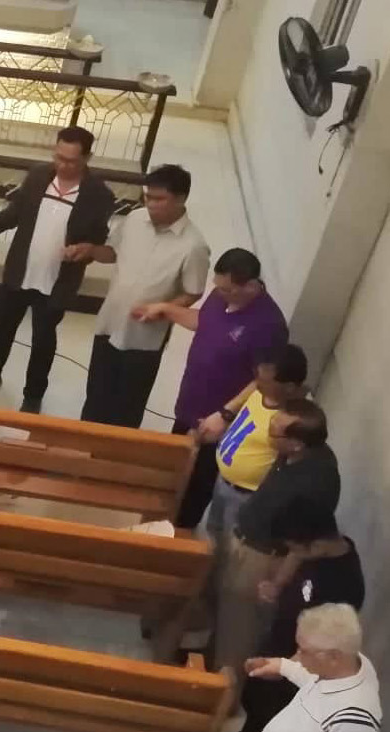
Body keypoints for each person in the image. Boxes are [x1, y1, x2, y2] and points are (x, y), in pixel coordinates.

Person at [0, 126, 116, 413]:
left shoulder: (99, 195)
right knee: (2, 327)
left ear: (87, 158)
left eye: (71, 161)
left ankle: (33, 394)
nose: (63, 165)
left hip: (58, 280)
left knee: (43, 339)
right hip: (21, 270)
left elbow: (98, 238)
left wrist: (84, 251)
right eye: (59, 157)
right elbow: (16, 212)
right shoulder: (38, 176)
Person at [205, 519, 365, 732]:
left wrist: (287, 666)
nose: (294, 556)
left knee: (270, 726)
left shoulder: (345, 584)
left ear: (316, 545)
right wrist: (278, 586)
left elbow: (325, 643)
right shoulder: (317, 551)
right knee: (255, 709)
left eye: (297, 550)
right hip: (279, 645)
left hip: (299, 666)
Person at [138, 248, 288, 530]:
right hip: (190, 404)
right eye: (217, 288)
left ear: (251, 285)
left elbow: (263, 380)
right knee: (173, 472)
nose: (220, 294)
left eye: (228, 289)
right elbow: (204, 322)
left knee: (195, 487)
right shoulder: (221, 297)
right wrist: (168, 310)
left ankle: (177, 538)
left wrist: (226, 414)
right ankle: (155, 527)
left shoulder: (269, 326)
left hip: (219, 419)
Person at [199, 603, 380, 732]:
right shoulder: (347, 664)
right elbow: (314, 683)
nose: (297, 656)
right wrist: (282, 667)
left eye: (304, 651)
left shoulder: (355, 720)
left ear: (334, 657)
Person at [214, 399, 339, 678]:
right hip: (243, 537)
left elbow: (304, 542)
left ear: (296, 443)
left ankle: (223, 692)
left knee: (240, 631)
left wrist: (277, 581)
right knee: (226, 611)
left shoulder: (317, 484)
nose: (268, 432)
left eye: (275, 430)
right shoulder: (289, 453)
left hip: (263, 558)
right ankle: (211, 663)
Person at [78, 164, 209, 428]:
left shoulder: (194, 245)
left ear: (181, 199)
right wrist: (91, 250)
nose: (151, 204)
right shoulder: (135, 219)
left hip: (143, 337)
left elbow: (193, 291)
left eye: (159, 199)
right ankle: (84, 447)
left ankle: (115, 460)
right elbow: (112, 253)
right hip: (110, 321)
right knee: (96, 396)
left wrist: (162, 309)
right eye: (148, 197)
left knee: (126, 405)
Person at [194, 345, 311, 557]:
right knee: (210, 535)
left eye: (267, 380)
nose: (258, 383)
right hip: (223, 483)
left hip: (246, 496)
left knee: (230, 549)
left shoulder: (291, 419)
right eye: (258, 376)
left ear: (290, 387)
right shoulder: (259, 392)